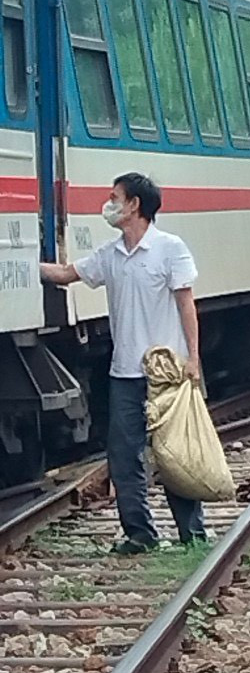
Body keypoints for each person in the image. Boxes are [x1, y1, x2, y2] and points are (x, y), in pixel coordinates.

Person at [40, 173, 206, 554]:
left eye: (115, 197)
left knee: (175, 453)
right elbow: (66, 274)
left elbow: (186, 304)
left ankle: (192, 534)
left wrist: (193, 359)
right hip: (124, 372)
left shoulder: (170, 248)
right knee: (123, 453)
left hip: (167, 373)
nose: (108, 203)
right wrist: (21, 264)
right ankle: (140, 533)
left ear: (134, 205)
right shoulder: (111, 255)